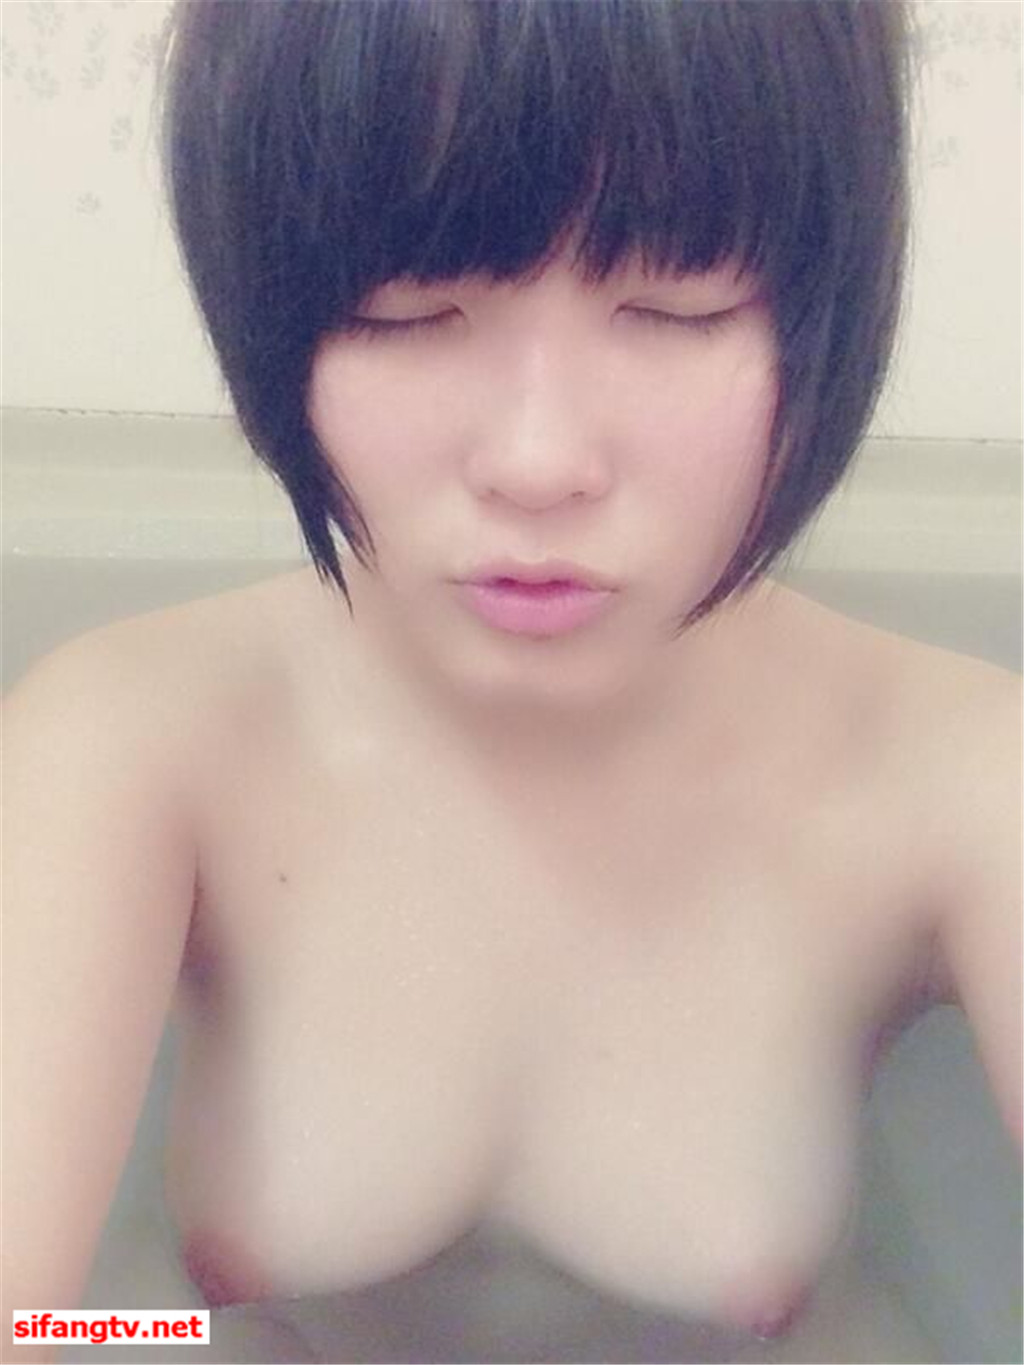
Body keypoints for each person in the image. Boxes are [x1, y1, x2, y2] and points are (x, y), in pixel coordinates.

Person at [3, 1, 1020, 1361]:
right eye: (410, 314)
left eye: (676, 309)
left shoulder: (962, 773)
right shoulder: (134, 734)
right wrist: (160, 1345)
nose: (539, 461)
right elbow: (22, 1316)